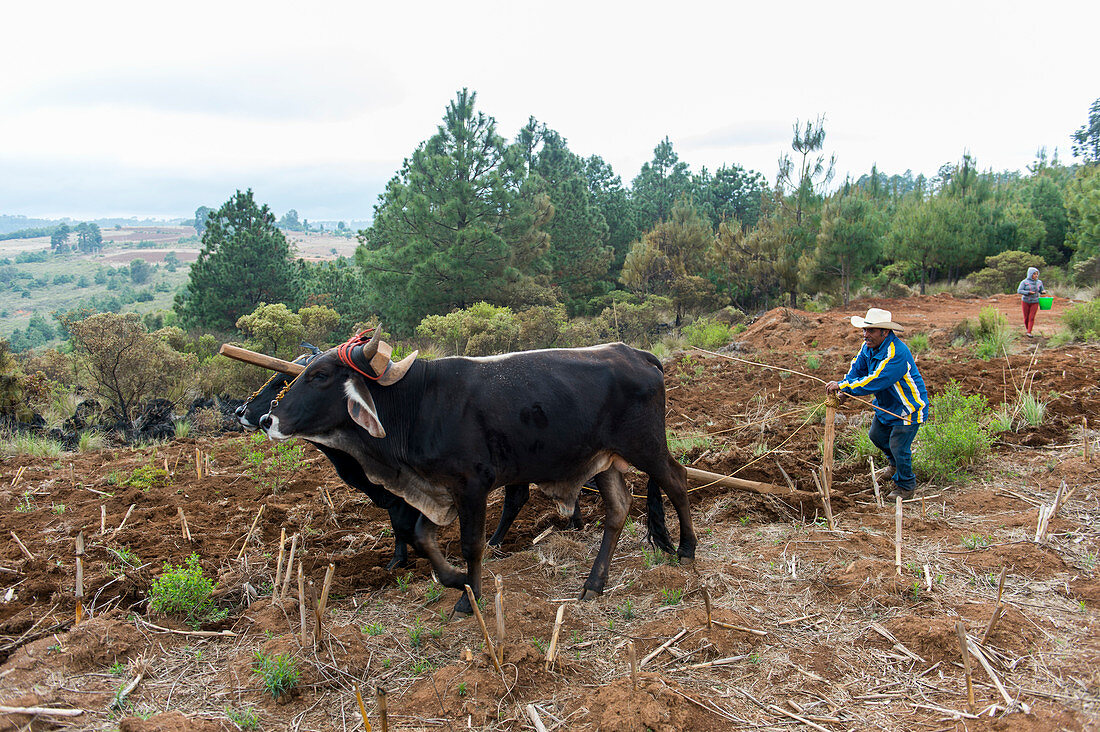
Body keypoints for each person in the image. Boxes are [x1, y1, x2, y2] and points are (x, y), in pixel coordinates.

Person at [826, 308, 929, 500]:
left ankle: (906, 485)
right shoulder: (868, 347)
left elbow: (875, 380)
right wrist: (844, 392)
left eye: (871, 331)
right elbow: (856, 370)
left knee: (899, 445)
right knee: (877, 436)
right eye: (865, 330)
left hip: (907, 409)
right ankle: (895, 465)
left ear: (885, 332)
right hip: (885, 406)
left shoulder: (896, 353)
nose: (866, 335)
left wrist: (843, 386)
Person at [1016, 266, 1047, 337]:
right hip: (1026, 301)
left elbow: (1041, 290)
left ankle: (1029, 332)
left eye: (1037, 274)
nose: (1036, 275)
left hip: (1035, 301)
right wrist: (1028, 292)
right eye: (1034, 274)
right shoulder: (1024, 282)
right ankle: (1028, 329)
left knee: (1032, 317)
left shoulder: (1039, 282)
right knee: (1026, 317)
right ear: (1030, 274)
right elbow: (1019, 291)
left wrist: (1043, 292)